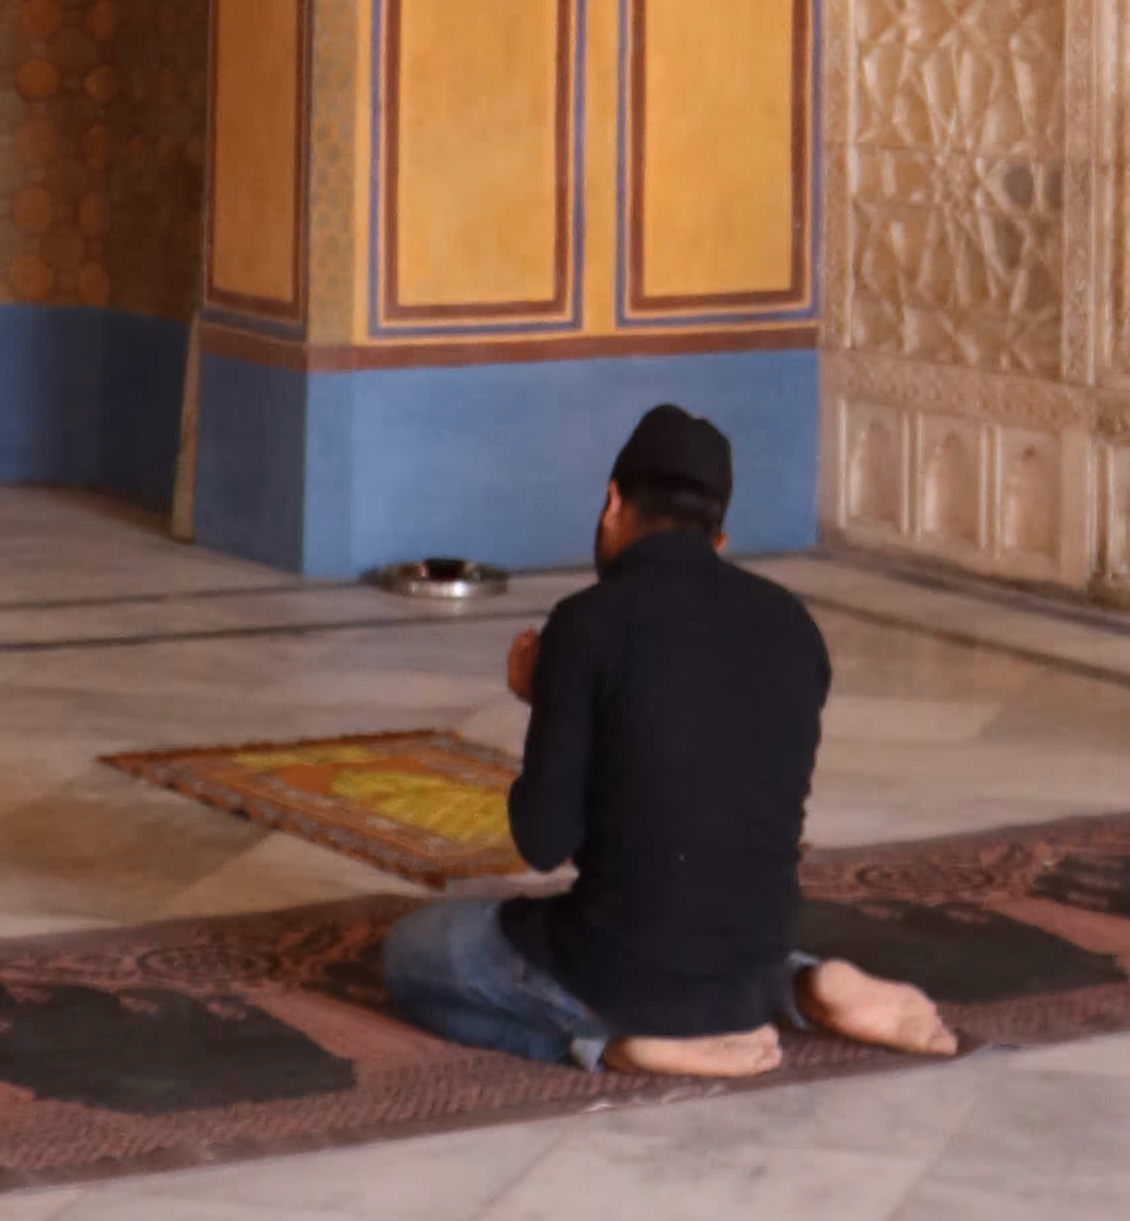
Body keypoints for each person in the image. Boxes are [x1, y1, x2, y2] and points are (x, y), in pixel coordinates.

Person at [379, 402, 956, 1078]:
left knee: (411, 955)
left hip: (624, 971)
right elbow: (708, 765)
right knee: (710, 906)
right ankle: (800, 984)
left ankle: (611, 1044)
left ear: (612, 503)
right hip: (751, 955)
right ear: (720, 539)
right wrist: (569, 696)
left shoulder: (586, 625)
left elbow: (542, 841)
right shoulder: (793, 626)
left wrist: (551, 697)